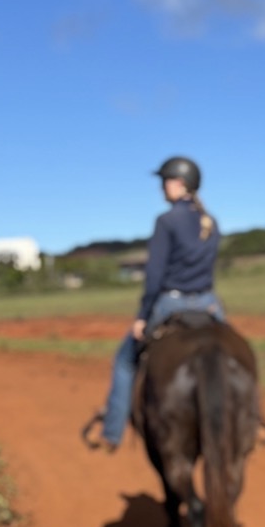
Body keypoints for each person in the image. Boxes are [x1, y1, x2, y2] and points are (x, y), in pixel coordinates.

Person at [83, 156, 225, 451]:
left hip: (171, 303)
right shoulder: (211, 223)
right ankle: (254, 418)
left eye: (165, 181)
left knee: (123, 362)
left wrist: (143, 316)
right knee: (231, 355)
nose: (162, 188)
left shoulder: (166, 221)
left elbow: (155, 276)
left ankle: (112, 431)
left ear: (179, 184)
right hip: (209, 303)